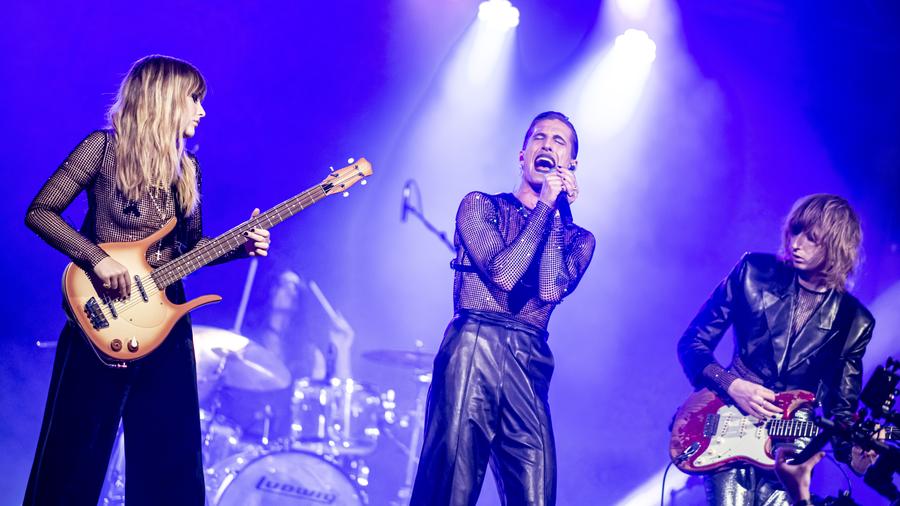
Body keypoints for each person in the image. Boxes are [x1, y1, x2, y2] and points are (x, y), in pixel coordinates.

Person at [23, 55, 270, 505]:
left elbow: (189, 249)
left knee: (170, 461)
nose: (202, 111)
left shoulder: (187, 169)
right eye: (194, 99)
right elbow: (41, 212)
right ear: (165, 100)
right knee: (72, 458)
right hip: (99, 319)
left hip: (165, 323)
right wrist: (96, 259)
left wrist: (240, 246)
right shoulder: (101, 149)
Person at [410, 111, 596, 505]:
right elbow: (504, 274)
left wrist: (554, 211)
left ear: (572, 164)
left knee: (536, 494)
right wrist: (545, 205)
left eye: (559, 141)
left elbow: (549, 289)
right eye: (539, 137)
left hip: (530, 361)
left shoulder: (579, 239)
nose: (547, 145)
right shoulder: (480, 206)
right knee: (451, 488)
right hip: (473, 348)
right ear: (522, 154)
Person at [677, 194, 876, 505]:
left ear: (836, 246)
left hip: (793, 440)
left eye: (812, 238)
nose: (796, 243)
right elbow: (692, 343)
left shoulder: (854, 320)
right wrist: (733, 385)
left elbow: (841, 411)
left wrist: (855, 457)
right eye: (795, 231)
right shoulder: (753, 272)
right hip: (730, 418)